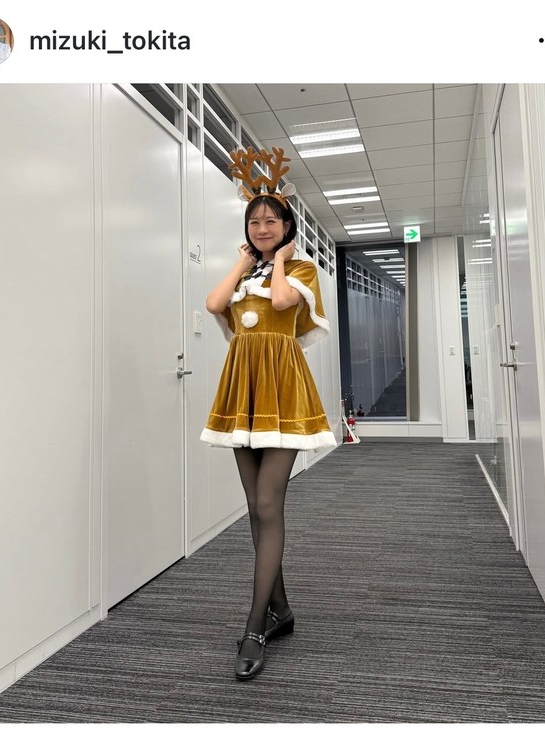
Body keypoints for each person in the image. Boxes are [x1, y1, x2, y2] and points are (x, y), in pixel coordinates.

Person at [200, 147, 336, 680]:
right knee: (255, 508)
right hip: (243, 390)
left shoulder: (299, 268)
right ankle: (281, 609)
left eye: (271, 221)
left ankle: (256, 625)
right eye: (254, 222)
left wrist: (278, 259)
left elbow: (281, 304)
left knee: (266, 502)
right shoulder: (244, 274)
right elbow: (215, 305)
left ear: (286, 227)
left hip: (281, 389)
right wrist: (243, 261)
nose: (261, 228)